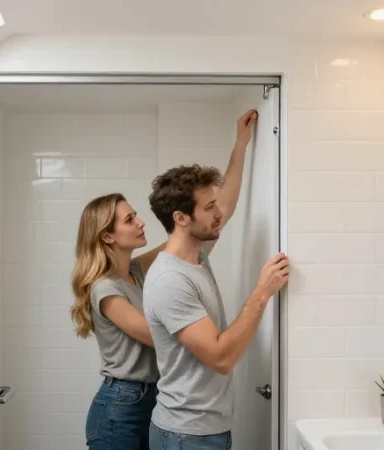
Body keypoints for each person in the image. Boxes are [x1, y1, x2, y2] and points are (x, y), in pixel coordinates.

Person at [70, 109, 261, 449]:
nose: (141, 223)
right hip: (121, 407)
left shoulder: (141, 269)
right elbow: (161, 336)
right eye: (129, 220)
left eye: (136, 215)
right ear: (109, 236)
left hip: (154, 397)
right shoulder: (106, 289)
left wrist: (240, 146)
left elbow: (220, 214)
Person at [142, 123, 289, 448]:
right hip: (185, 436)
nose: (218, 212)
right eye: (208, 207)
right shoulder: (170, 280)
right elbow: (221, 357)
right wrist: (262, 292)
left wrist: (241, 144)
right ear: (181, 218)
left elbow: (228, 203)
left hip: (203, 431)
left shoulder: (197, 254)